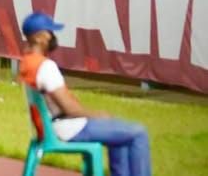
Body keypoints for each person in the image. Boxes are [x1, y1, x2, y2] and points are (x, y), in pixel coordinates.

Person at [19, 12, 151, 176]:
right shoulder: (46, 66)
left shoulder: (27, 62)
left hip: (50, 127)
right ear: (39, 37)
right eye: (50, 32)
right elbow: (69, 109)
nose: (52, 36)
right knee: (138, 133)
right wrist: (97, 115)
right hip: (67, 127)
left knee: (120, 137)